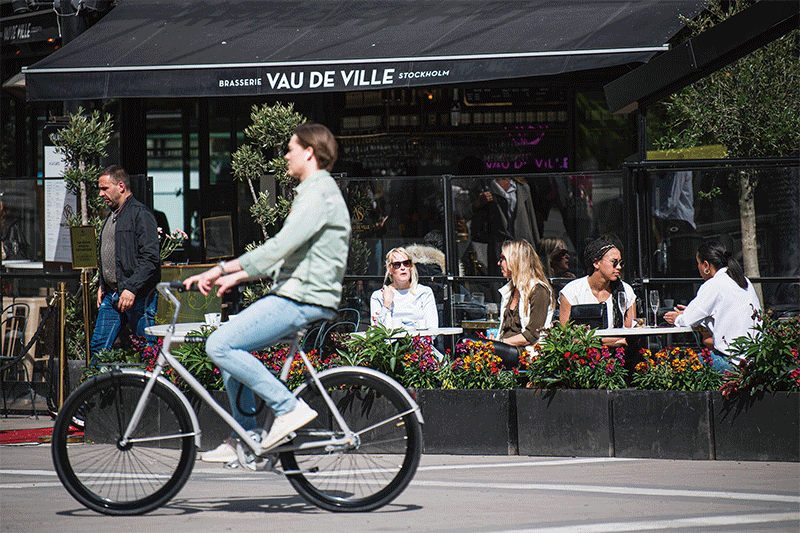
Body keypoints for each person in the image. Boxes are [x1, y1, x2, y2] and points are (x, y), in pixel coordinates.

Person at [184, 122, 350, 463]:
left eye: (290, 148)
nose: (285, 155)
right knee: (232, 350)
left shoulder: (318, 193)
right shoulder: (314, 192)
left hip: (302, 297)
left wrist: (221, 268)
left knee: (219, 344)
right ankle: (247, 435)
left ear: (309, 151)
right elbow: (289, 254)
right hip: (298, 292)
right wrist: (240, 276)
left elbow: (278, 247)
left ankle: (287, 408)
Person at [91, 165, 161, 355]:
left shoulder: (141, 214)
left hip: (138, 296)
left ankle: (153, 385)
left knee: (148, 351)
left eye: (104, 188)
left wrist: (131, 288)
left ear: (121, 186)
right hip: (112, 295)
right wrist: (103, 284)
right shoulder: (112, 215)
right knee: (99, 349)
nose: (100, 194)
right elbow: (113, 254)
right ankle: (95, 385)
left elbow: (151, 258)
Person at [664, 240, 761, 372]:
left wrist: (676, 317)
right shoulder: (743, 280)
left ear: (706, 265)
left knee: (681, 369)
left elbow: (686, 321)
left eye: (698, 263)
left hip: (732, 360)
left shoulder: (714, 284)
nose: (697, 268)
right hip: (754, 359)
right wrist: (692, 314)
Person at [559, 238, 636, 347]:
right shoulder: (572, 291)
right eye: (614, 262)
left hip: (618, 356)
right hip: (582, 356)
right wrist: (606, 342)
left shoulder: (626, 291)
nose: (618, 267)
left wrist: (588, 340)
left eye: (620, 263)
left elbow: (629, 335)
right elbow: (566, 335)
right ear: (596, 263)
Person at [490, 239, 554, 367]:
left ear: (515, 260)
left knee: (474, 346)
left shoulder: (538, 290)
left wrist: (501, 342)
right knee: (466, 345)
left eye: (503, 258)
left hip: (526, 352)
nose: (499, 263)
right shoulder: (511, 290)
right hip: (509, 349)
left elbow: (531, 335)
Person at [470, 176, 540, 276]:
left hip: (521, 242)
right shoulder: (485, 186)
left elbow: (530, 218)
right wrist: (478, 203)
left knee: (524, 278)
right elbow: (468, 214)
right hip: (498, 244)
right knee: (500, 279)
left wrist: (536, 246)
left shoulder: (521, 187)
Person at [370, 247, 438, 331]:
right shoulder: (379, 295)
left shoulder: (424, 292)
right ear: (389, 269)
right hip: (390, 343)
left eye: (406, 263)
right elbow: (375, 332)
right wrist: (386, 305)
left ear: (411, 267)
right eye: (397, 265)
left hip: (419, 342)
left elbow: (433, 328)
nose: (402, 268)